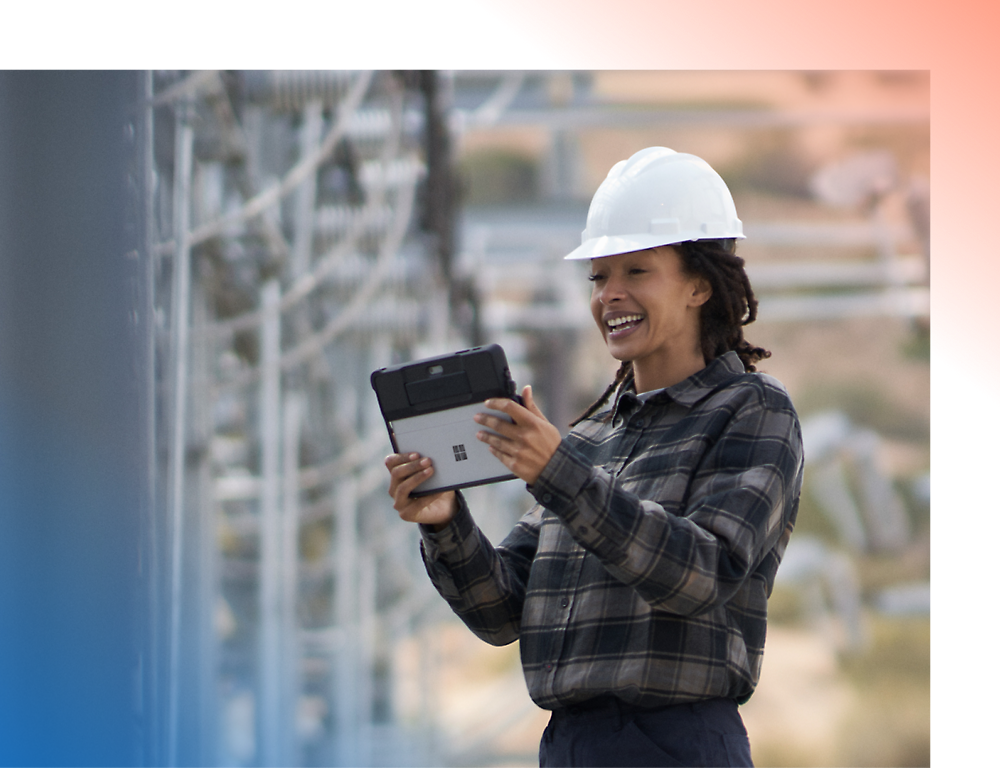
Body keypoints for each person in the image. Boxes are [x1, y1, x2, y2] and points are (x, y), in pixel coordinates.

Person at [385, 147, 804, 768]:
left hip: (677, 744)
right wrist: (446, 520)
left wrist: (557, 472)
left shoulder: (751, 411)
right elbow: (501, 612)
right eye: (599, 276)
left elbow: (701, 575)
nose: (610, 295)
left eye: (636, 271)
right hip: (571, 746)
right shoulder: (588, 441)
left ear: (701, 285)